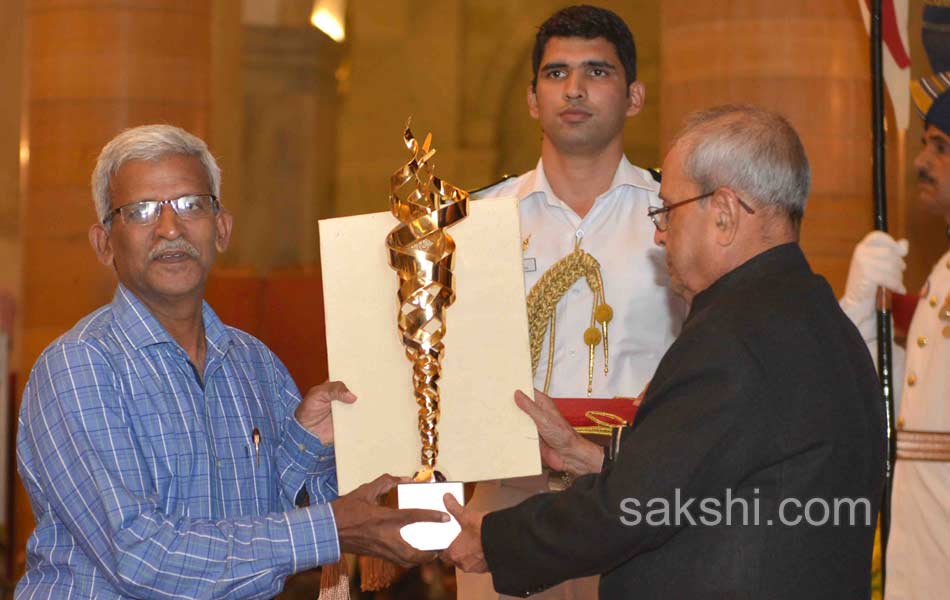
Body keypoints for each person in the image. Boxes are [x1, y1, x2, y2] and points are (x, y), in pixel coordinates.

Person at [444, 105, 885, 598]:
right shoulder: (817, 317)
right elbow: (709, 479)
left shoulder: (734, 335)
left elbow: (630, 510)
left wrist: (496, 539)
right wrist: (587, 456)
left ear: (723, 215)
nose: (658, 233)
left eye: (667, 211)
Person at [15, 124, 446, 599]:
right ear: (103, 244)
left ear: (221, 229)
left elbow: (268, 529)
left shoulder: (254, 364)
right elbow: (139, 557)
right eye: (139, 211)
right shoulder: (79, 369)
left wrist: (306, 447)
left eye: (190, 204)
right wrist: (330, 528)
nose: (170, 228)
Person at [461, 7, 684, 597]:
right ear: (533, 98)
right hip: (507, 496)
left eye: (597, 72)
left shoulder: (681, 216)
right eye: (556, 74)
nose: (575, 89)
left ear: (634, 96)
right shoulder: (476, 222)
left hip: (632, 494)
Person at [841, 85, 950, 598]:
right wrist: (860, 311)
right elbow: (905, 405)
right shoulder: (943, 273)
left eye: (941, 147)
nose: (922, 162)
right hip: (923, 548)